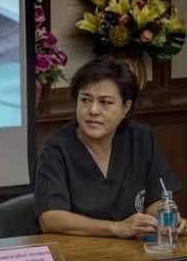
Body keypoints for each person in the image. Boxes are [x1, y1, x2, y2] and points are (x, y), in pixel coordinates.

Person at [33, 55, 186, 237]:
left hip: (132, 252)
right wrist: (117, 228)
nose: (93, 110)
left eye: (105, 102)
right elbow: (50, 218)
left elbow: (155, 199)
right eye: (85, 100)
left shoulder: (139, 138)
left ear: (125, 107)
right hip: (76, 255)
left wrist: (164, 216)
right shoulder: (55, 148)